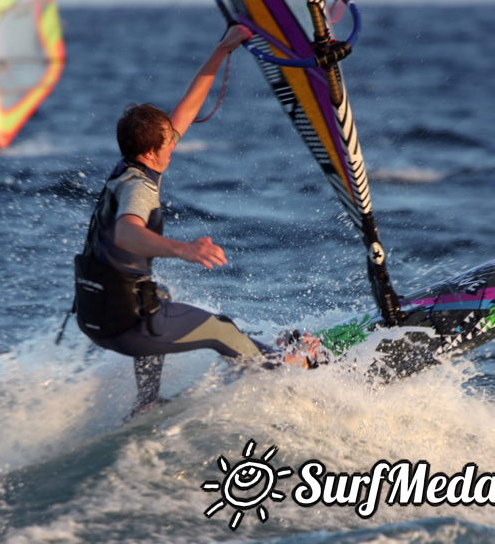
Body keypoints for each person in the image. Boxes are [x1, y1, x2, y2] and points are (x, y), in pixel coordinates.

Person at [73, 25, 323, 417]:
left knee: (161, 295)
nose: (176, 140)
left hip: (96, 317)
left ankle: (147, 402)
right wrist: (183, 249)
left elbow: (187, 107)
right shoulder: (140, 189)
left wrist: (222, 50)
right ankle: (287, 367)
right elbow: (126, 233)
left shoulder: (127, 168)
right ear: (154, 151)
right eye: (169, 139)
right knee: (221, 330)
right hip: (126, 327)